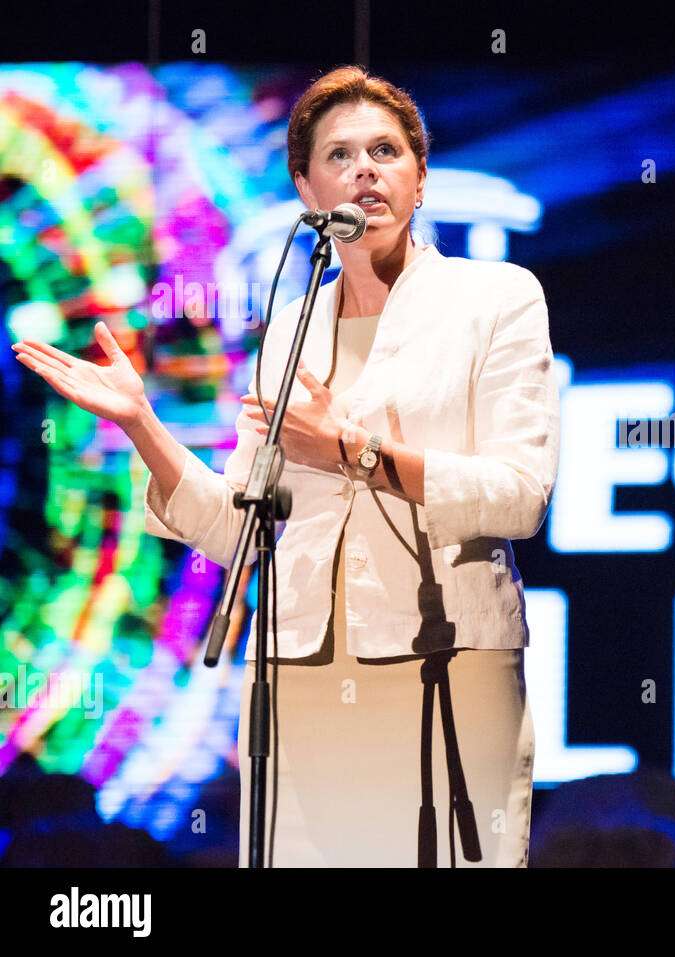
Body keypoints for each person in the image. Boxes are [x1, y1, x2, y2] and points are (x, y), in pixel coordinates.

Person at [10, 65, 560, 867]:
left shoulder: (496, 300)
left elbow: (518, 498)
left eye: (386, 150)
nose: (366, 169)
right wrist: (142, 425)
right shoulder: (289, 331)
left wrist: (352, 451)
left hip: (444, 668)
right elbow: (244, 529)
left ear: (421, 175)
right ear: (305, 186)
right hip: (298, 675)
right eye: (340, 155)